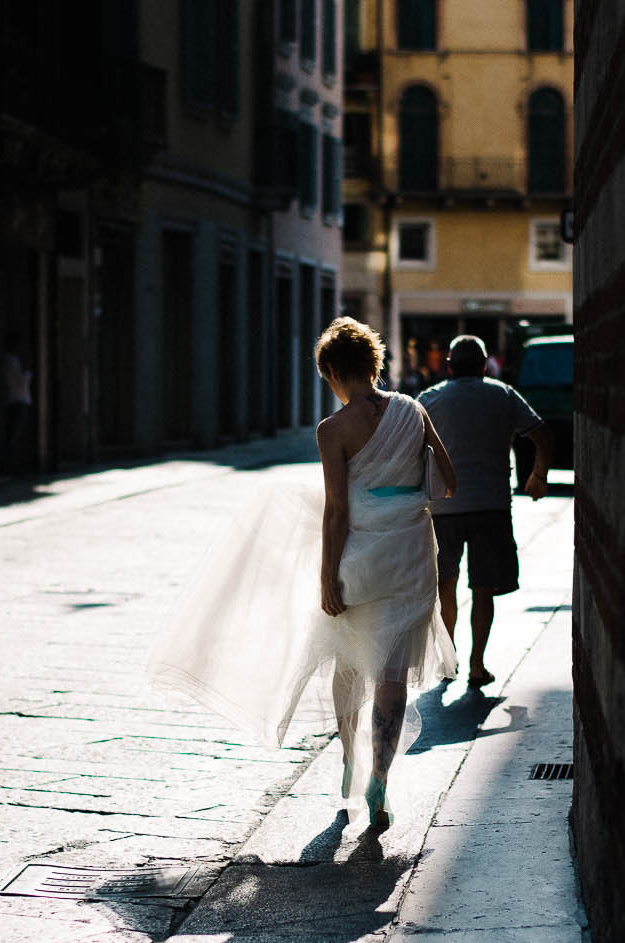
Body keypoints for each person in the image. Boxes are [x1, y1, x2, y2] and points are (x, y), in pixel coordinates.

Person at [149, 318, 457, 827]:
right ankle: (381, 776)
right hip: (412, 553)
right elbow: (447, 483)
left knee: (348, 662)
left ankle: (349, 760)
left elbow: (336, 511)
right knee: (393, 672)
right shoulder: (415, 411)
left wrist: (326, 577)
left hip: (361, 555)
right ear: (374, 363)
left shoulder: (333, 429)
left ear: (333, 370)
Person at [419, 334, 552, 688]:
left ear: (448, 366)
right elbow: (540, 433)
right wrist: (538, 474)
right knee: (483, 588)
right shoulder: (502, 394)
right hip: (490, 506)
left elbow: (407, 447)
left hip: (443, 507)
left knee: (445, 586)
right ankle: (477, 665)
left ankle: (450, 662)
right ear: (483, 366)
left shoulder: (429, 400)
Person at [2, 334, 34, 472]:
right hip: (17, 399)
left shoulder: (12, 360)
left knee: (15, 433)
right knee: (14, 433)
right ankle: (11, 465)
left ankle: (13, 464)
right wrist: (28, 373)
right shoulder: (11, 361)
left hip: (17, 398)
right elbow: (18, 382)